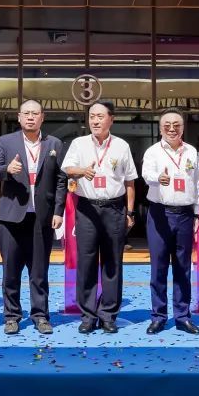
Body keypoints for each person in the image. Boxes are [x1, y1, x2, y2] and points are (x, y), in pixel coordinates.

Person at [0, 100, 67, 335]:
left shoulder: (54, 143)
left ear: (42, 117)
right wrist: (6, 170)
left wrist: (58, 211)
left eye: (35, 113)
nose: (30, 117)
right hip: (12, 217)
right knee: (10, 271)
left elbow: (61, 180)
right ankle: (11, 316)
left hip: (42, 217)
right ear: (19, 117)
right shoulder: (6, 141)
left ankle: (40, 315)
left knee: (39, 271)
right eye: (26, 113)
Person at [62, 100, 137, 334]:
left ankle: (108, 314)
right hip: (87, 209)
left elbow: (130, 181)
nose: (95, 121)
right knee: (86, 262)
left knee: (113, 262)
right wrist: (82, 171)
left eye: (100, 116)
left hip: (114, 208)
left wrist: (130, 212)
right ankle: (88, 315)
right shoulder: (79, 144)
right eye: (92, 116)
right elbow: (67, 168)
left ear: (111, 119)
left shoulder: (122, 146)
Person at [140, 110, 199, 335]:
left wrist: (197, 213)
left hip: (185, 214)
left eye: (176, 124)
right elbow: (146, 174)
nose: (172, 128)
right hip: (160, 214)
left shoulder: (191, 152)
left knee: (183, 268)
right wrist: (159, 178)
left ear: (183, 128)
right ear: (160, 128)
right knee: (158, 268)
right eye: (167, 125)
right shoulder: (153, 151)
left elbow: (197, 184)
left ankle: (182, 316)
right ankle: (158, 316)